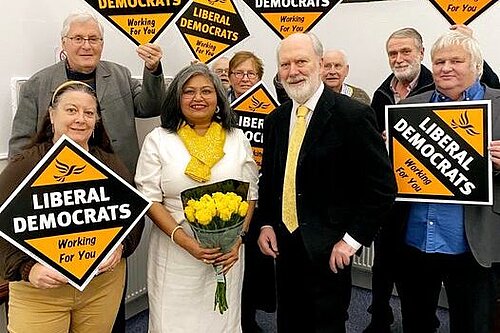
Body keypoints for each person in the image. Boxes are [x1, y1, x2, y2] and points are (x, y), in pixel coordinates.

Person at [256, 32, 396, 332]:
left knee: (327, 326)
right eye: (285, 65)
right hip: (285, 246)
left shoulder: (353, 115)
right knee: (289, 322)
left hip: (330, 249)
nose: (293, 71)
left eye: (301, 62)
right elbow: (271, 179)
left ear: (320, 64)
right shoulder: (277, 120)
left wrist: (351, 241)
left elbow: (382, 187)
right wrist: (266, 223)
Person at [365, 26, 500, 333]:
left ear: (477, 66)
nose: (445, 67)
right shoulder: (408, 108)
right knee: (416, 323)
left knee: (473, 326)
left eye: (456, 60)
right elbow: (387, 176)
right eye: (439, 62)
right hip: (414, 243)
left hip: (473, 247)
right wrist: (385, 152)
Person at [0, 80, 145, 332]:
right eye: (71, 110)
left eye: (89, 113)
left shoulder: (110, 164)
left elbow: (134, 218)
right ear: (52, 115)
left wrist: (121, 247)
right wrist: (27, 269)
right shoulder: (24, 166)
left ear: (96, 121)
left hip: (101, 288)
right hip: (40, 294)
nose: (81, 118)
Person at [134, 63, 259, 332]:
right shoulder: (159, 139)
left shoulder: (236, 138)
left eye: (206, 91)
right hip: (175, 254)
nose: (198, 98)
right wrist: (184, 240)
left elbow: (251, 194)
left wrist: (237, 240)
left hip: (227, 256)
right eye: (188, 92)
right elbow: (149, 198)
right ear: (177, 99)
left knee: (222, 322)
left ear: (218, 98)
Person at [9, 12, 165, 175]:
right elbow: (20, 145)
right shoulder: (37, 84)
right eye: (78, 39)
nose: (86, 46)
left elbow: (151, 108)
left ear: (102, 44)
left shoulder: (121, 74)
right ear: (64, 43)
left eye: (93, 39)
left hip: (121, 177)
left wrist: (153, 69)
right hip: (61, 182)